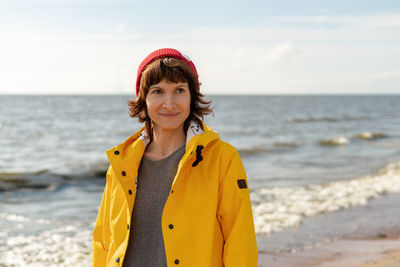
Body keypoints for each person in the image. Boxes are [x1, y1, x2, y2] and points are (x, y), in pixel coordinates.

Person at [92, 48, 258, 267]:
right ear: (144, 98)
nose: (169, 103)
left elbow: (240, 241)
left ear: (192, 96)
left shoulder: (222, 159)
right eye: (158, 91)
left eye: (179, 90)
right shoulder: (121, 164)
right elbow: (104, 242)